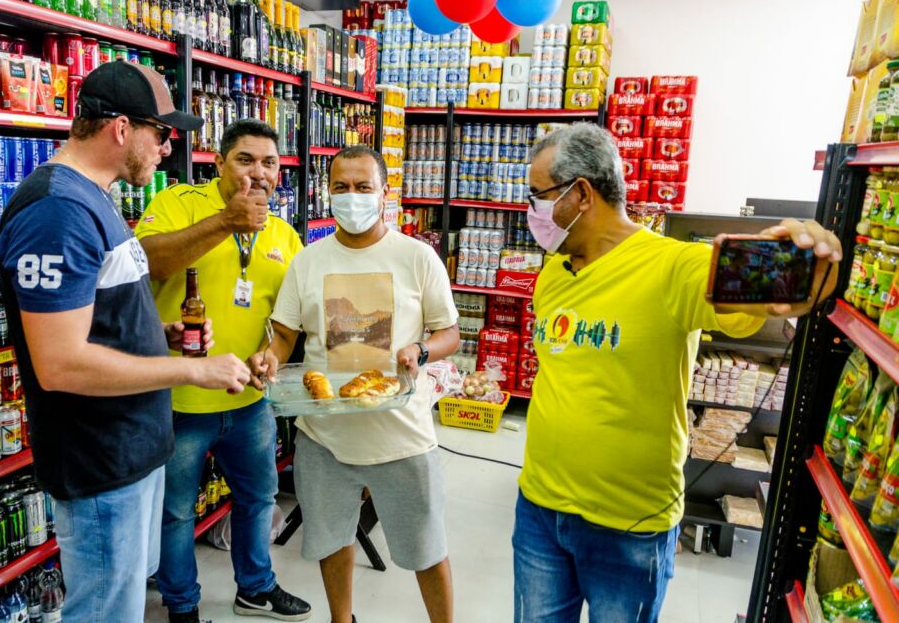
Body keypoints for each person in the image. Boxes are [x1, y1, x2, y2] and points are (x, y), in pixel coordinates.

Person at [513, 123, 842, 623]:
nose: (531, 210)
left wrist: (808, 258)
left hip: (629, 526)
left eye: (537, 196)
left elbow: (792, 288)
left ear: (581, 193)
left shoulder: (675, 267)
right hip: (538, 509)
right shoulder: (553, 272)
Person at [0, 61, 254, 623]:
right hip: (99, 460)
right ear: (120, 129)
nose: (166, 149)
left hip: (129, 450)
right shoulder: (57, 210)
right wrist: (191, 372)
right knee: (105, 613)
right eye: (161, 133)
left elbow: (94, 321)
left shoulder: (91, 198)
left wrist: (157, 333)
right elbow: (60, 364)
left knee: (124, 604)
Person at [249, 146, 460, 623]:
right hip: (326, 437)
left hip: (401, 435)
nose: (352, 197)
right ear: (328, 193)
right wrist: (268, 359)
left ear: (385, 193)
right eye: (341, 187)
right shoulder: (309, 260)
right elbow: (285, 333)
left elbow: (449, 332)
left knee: (427, 549)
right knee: (330, 539)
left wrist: (420, 351)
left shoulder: (416, 257)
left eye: (363, 187)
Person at [137, 119, 311, 623]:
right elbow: (147, 263)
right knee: (175, 514)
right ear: (218, 162)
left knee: (258, 498)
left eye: (270, 163)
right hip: (178, 400)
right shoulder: (178, 204)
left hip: (248, 400)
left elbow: (285, 320)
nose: (259, 172)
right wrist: (225, 223)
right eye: (245, 159)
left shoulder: (283, 235)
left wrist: (271, 354)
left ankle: (255, 588)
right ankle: (182, 606)